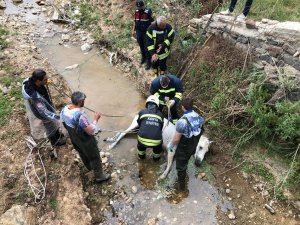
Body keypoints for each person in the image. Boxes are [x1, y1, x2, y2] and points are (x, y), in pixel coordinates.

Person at [61, 91, 110, 183]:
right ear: (80, 102)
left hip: (74, 139)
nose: (84, 101)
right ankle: (99, 176)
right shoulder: (80, 116)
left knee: (82, 153)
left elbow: (63, 123)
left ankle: (89, 168)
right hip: (85, 140)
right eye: (84, 100)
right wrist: (96, 119)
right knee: (94, 156)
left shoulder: (65, 109)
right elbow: (91, 131)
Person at [167, 97, 204, 191]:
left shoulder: (182, 121)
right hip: (193, 146)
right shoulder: (199, 117)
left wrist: (170, 146)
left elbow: (176, 139)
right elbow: (200, 130)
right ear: (192, 106)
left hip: (184, 147)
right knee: (187, 158)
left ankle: (181, 188)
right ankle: (185, 166)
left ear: (183, 107)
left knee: (180, 167)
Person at [22, 69, 66, 146]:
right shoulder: (35, 97)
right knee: (49, 124)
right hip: (41, 111)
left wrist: (46, 82)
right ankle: (54, 141)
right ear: (38, 81)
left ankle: (57, 134)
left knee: (52, 122)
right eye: (45, 79)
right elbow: (45, 113)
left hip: (44, 105)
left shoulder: (30, 81)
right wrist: (58, 117)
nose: (47, 80)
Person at [136, 95, 164, 161]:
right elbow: (161, 128)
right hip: (156, 141)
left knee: (140, 146)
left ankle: (141, 157)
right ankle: (156, 160)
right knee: (158, 148)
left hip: (142, 139)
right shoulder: (160, 115)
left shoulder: (142, 112)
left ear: (147, 103)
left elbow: (139, 123)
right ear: (157, 105)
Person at [132, 0, 154, 70]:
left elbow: (152, 22)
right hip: (138, 31)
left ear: (143, 6)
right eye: (138, 7)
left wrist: (153, 32)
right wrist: (133, 30)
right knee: (141, 45)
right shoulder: (136, 11)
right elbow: (135, 21)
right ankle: (143, 58)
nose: (139, 8)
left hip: (146, 32)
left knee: (146, 47)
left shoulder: (148, 12)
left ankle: (149, 62)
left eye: (140, 7)